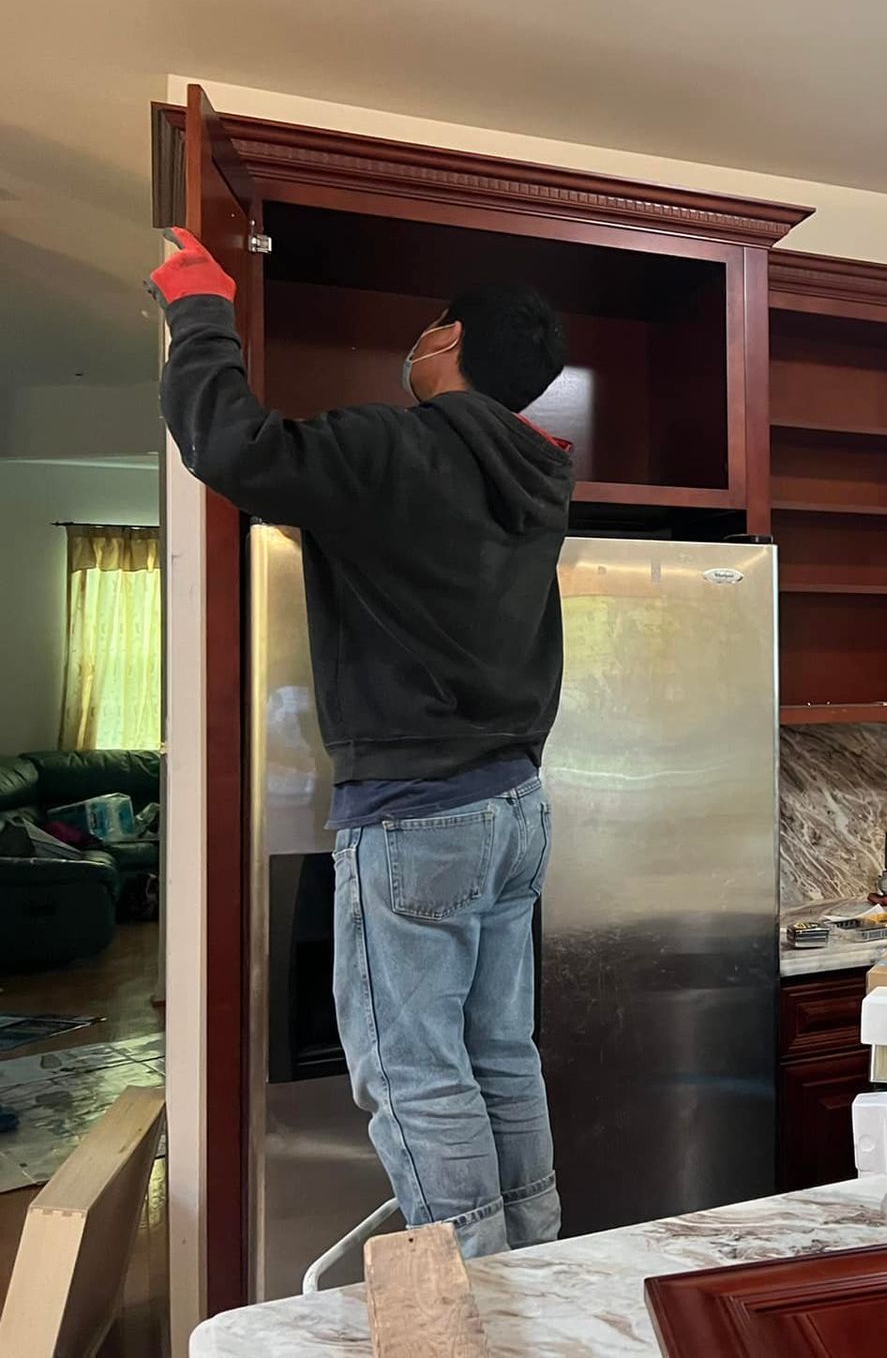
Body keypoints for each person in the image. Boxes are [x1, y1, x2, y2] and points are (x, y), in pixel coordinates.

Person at [149, 229, 573, 1258]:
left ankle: (473, 1298)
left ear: (448, 340)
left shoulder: (396, 448)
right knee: (499, 1052)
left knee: (415, 1070)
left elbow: (233, 447)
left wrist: (200, 308)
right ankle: (537, 1269)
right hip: (515, 806)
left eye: (426, 330)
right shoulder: (539, 470)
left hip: (416, 814)